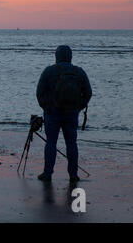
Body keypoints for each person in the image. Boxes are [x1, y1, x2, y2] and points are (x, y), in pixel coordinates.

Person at [36, 45, 92, 183]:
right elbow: (88, 93)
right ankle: (73, 175)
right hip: (71, 113)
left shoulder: (49, 71)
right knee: (72, 144)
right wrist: (78, 108)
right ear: (70, 57)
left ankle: (47, 173)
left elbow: (39, 92)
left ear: (56, 56)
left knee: (51, 143)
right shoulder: (79, 72)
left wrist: (46, 107)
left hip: (52, 113)